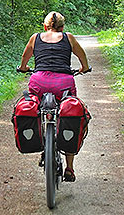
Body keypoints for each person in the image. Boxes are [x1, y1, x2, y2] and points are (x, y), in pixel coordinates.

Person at [18, 11, 90, 182]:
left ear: (45, 26)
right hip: (63, 84)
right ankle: (70, 168)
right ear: (62, 28)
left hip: (39, 82)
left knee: (35, 108)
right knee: (70, 113)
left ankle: (42, 139)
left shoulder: (35, 38)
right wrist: (84, 68)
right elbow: (82, 57)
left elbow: (24, 59)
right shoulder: (69, 38)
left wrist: (23, 68)